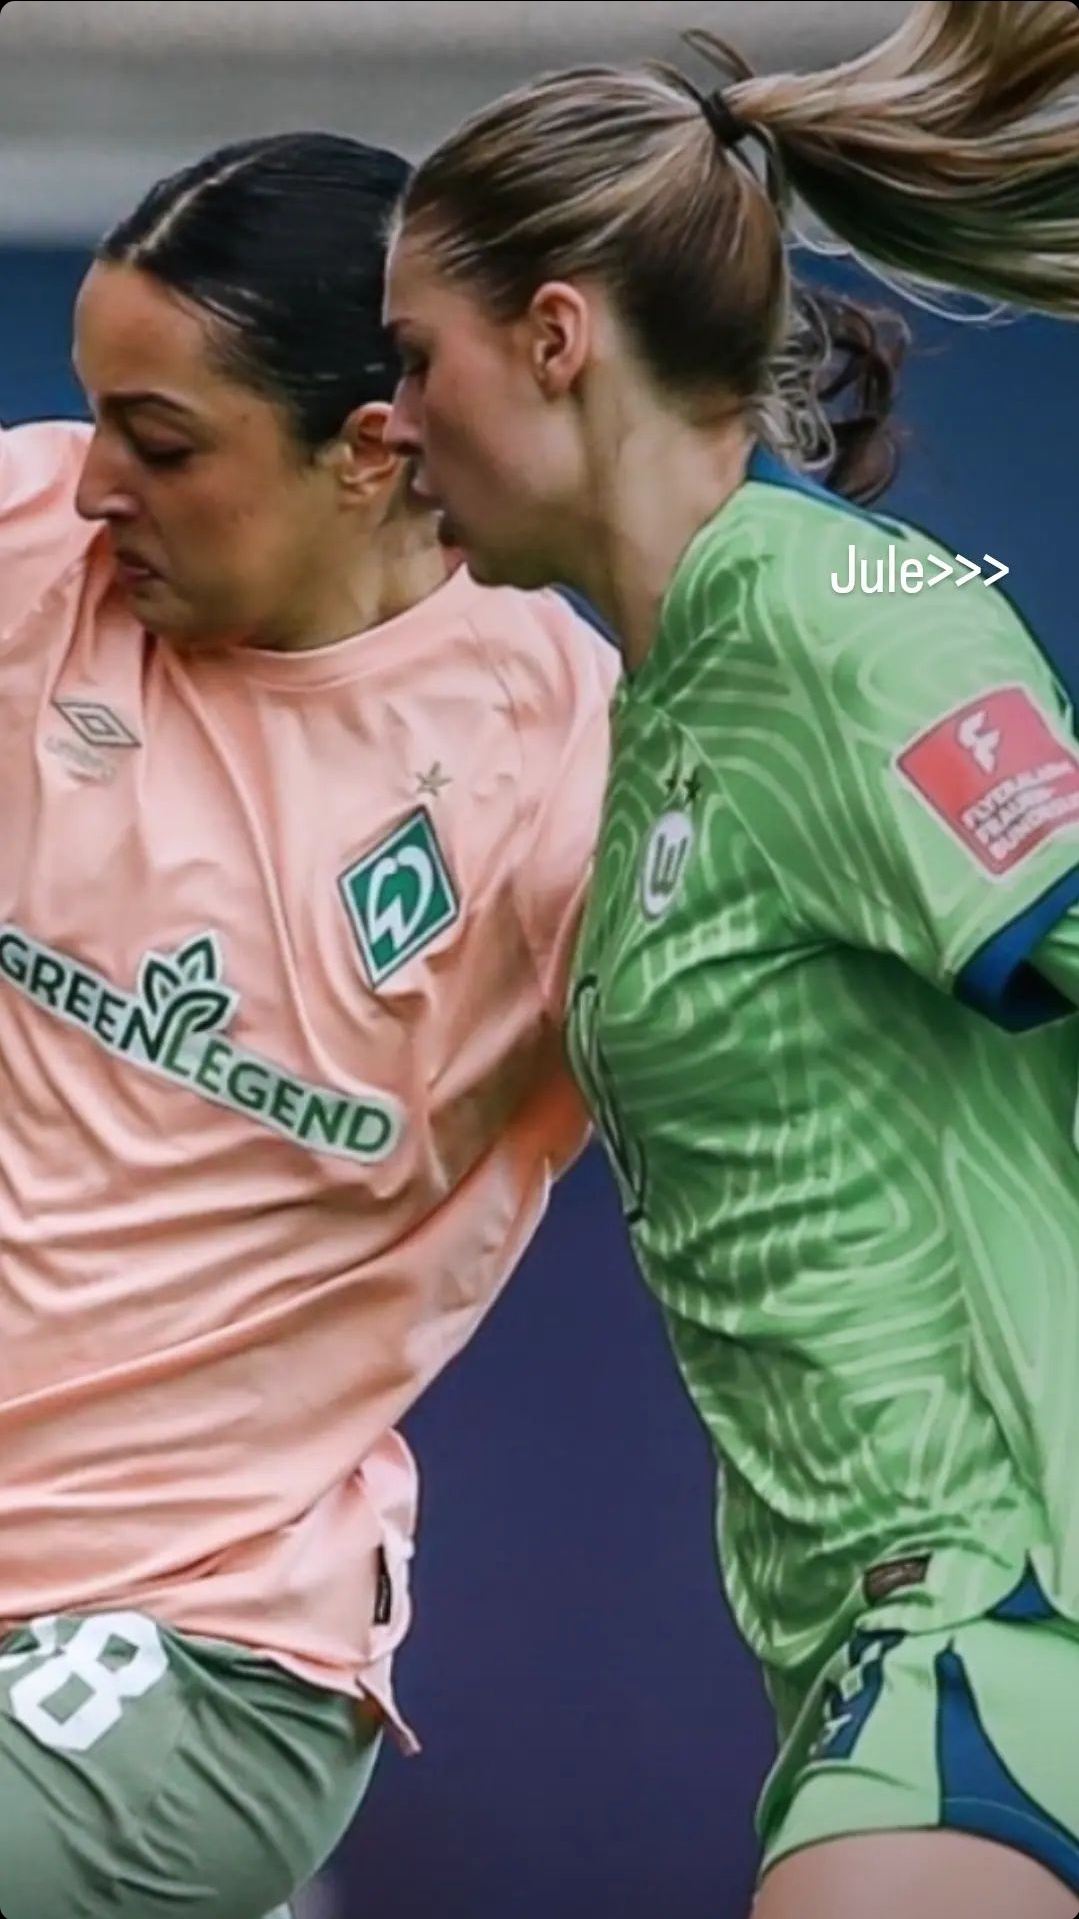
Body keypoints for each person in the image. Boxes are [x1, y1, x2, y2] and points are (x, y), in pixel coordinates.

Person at [383, 2, 1079, 1914]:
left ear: (555, 337)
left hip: (990, 1616)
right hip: (884, 1652)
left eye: (415, 357)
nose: (395, 418)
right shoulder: (677, 690)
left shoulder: (840, 616)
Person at [0, 130, 618, 1919]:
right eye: (93, 417)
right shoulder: (30, 552)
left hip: (197, 1632)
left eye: (162, 441)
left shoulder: (573, 785)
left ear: (371, 450)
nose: (96, 484)